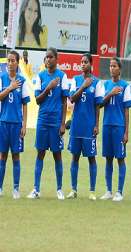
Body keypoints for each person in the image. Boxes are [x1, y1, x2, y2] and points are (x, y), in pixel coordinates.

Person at [27, 48, 69, 200]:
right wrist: (48, 87)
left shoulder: (62, 76)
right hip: (43, 121)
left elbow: (64, 102)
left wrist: (63, 124)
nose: (48, 60)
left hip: (56, 122)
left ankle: (59, 189)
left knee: (57, 155)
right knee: (40, 153)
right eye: (46, 57)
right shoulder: (40, 76)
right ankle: (36, 189)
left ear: (56, 59)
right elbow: (38, 100)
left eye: (51, 57)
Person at [66, 54, 104, 201]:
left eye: (86, 62)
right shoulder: (75, 80)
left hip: (89, 126)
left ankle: (92, 191)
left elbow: (98, 105)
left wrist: (96, 125)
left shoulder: (98, 83)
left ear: (91, 64)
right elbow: (72, 98)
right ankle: (73, 190)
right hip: (76, 126)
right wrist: (83, 86)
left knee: (91, 158)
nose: (83, 64)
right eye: (81, 62)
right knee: (74, 157)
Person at [99, 58, 131, 201]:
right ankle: (108, 190)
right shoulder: (105, 84)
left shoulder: (125, 86)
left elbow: (126, 110)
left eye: (114, 66)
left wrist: (126, 132)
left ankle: (119, 191)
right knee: (108, 159)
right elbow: (100, 104)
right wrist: (111, 93)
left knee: (120, 159)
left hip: (119, 127)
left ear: (120, 69)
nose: (111, 68)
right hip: (107, 125)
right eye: (110, 66)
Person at [0, 50, 30, 199]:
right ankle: (0, 187)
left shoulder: (22, 80)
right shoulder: (2, 77)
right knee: (2, 156)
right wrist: (10, 87)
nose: (10, 63)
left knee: (16, 156)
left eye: (13, 61)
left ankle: (16, 189)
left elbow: (25, 105)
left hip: (17, 124)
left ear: (18, 63)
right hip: (3, 123)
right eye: (8, 61)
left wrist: (24, 125)